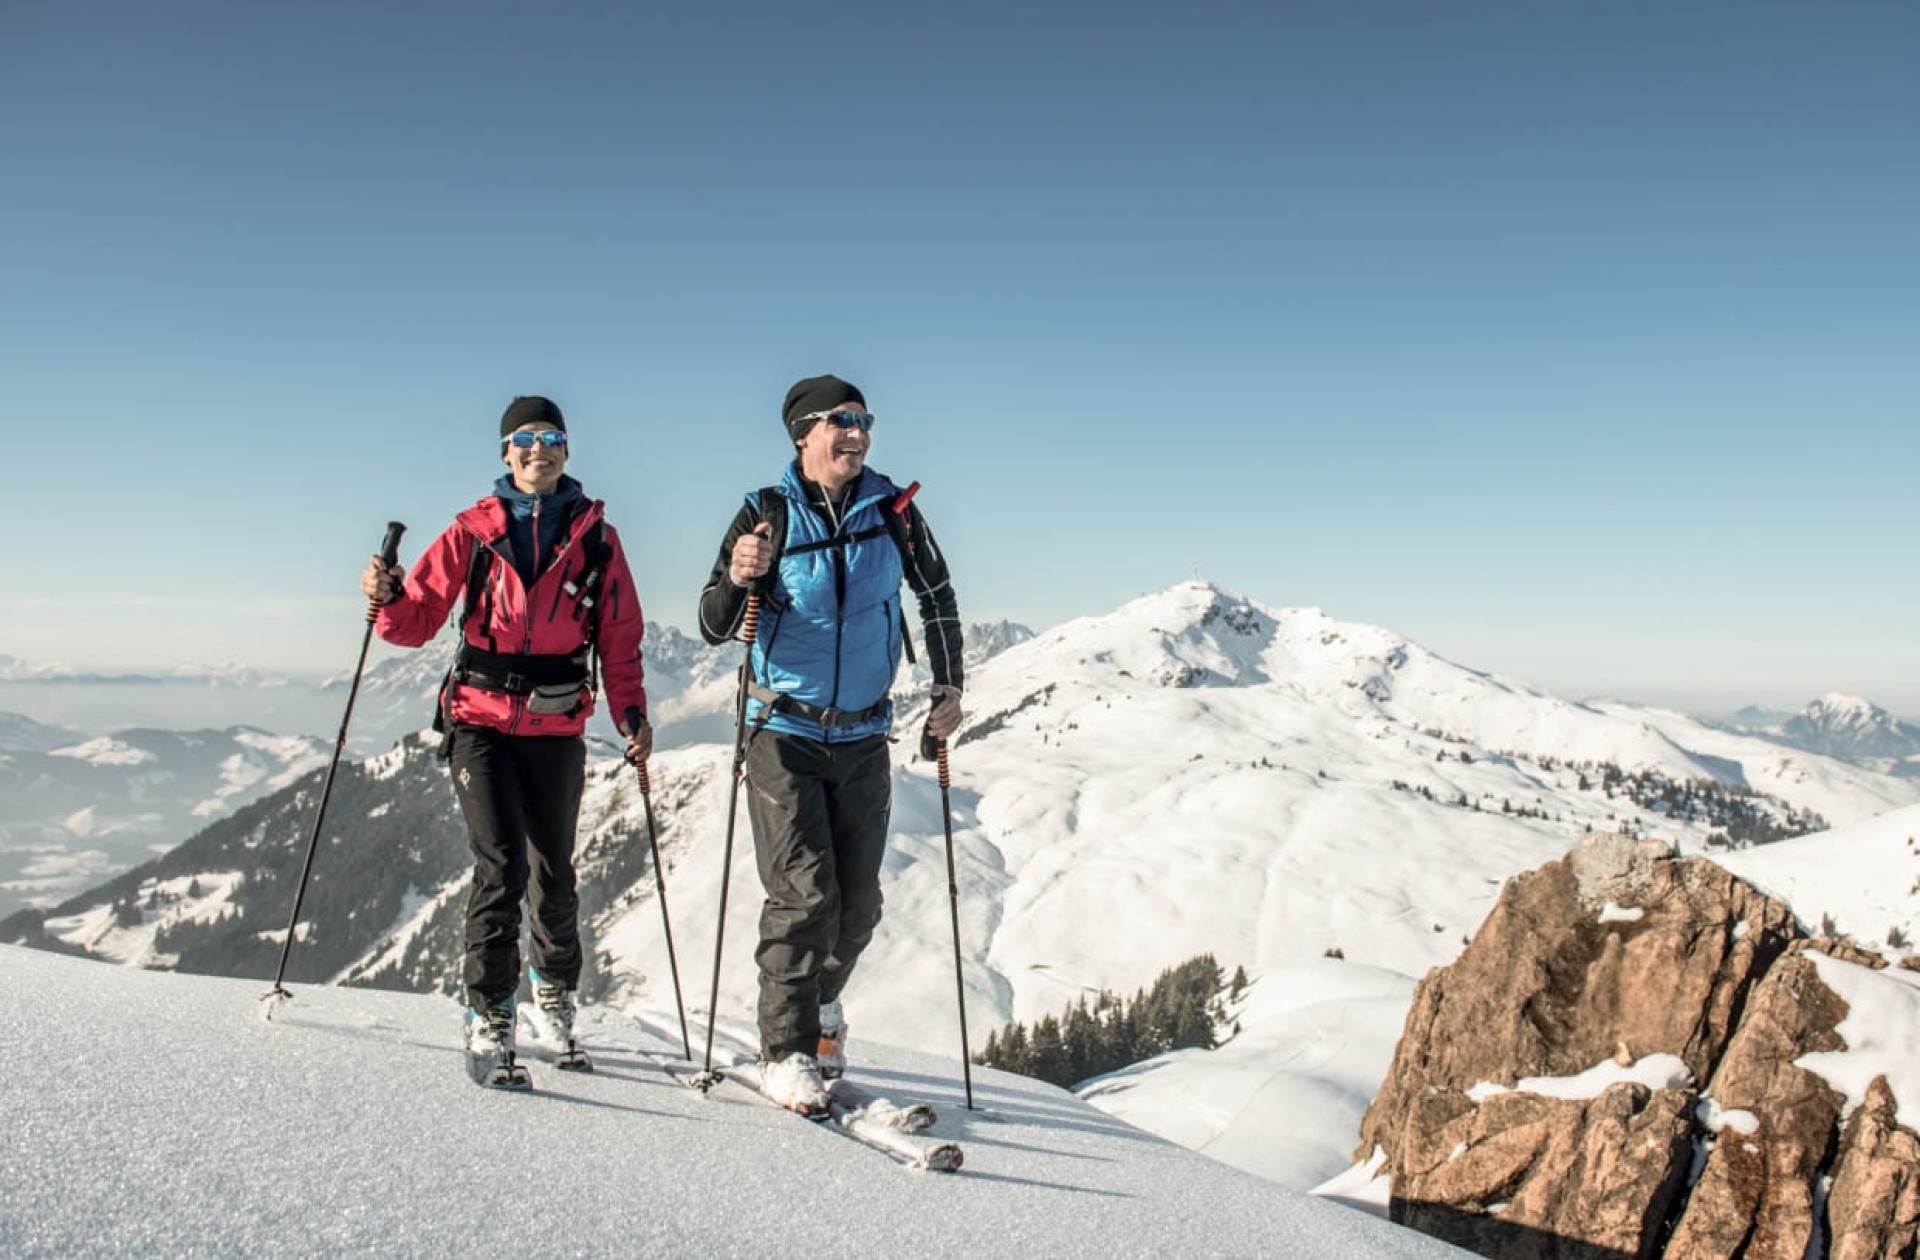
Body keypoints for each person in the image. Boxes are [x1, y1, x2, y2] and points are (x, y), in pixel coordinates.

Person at [361, 395, 651, 1088]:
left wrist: (632, 716)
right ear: (505, 453)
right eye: (524, 439)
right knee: (501, 869)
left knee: (554, 872)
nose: (538, 449)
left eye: (551, 438)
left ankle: (553, 994)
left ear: (566, 452)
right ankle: (490, 1012)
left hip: (557, 726)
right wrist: (384, 596)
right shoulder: (473, 532)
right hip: (479, 722)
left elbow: (619, 637)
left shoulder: (598, 539)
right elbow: (415, 623)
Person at [697, 373, 965, 1114]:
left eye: (864, 420)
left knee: (859, 907)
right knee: (804, 895)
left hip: (863, 734)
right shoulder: (765, 514)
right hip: (781, 732)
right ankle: (784, 1051)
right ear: (802, 435)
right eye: (842, 422)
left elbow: (936, 598)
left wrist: (950, 688)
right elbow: (715, 623)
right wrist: (737, 574)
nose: (859, 433)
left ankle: (818, 1013)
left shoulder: (895, 511)